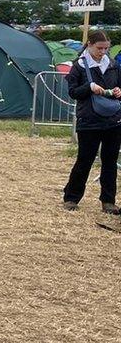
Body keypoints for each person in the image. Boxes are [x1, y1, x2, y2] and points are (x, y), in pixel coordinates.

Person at [63, 30, 121, 214]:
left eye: (106, 48)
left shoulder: (112, 65)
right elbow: (72, 92)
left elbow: (119, 85)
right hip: (89, 120)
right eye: (99, 48)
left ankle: (108, 201)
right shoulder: (79, 66)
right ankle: (71, 197)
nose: (103, 52)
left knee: (110, 161)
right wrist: (88, 87)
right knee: (85, 160)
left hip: (113, 119)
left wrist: (118, 91)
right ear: (89, 45)